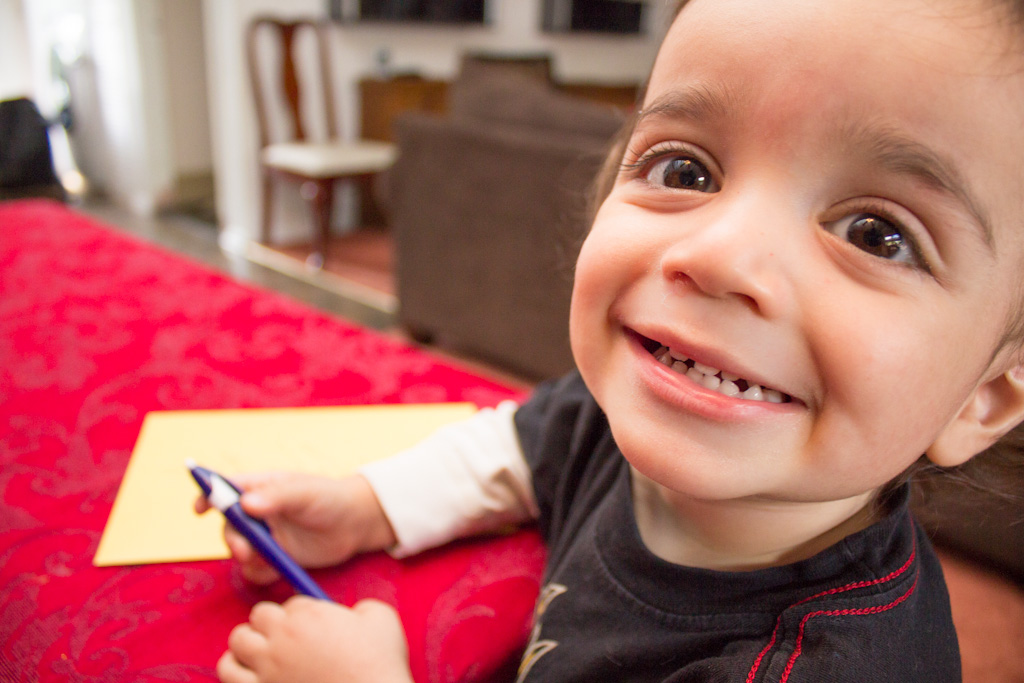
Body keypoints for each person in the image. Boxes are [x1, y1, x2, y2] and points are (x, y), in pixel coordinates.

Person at [198, 0, 1024, 679]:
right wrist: (365, 505)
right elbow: (520, 445)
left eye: (878, 235)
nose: (718, 255)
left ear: (984, 398)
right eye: (685, 170)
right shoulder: (626, 408)